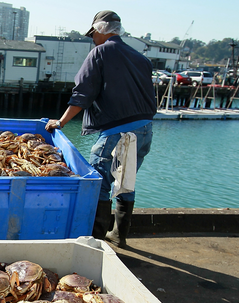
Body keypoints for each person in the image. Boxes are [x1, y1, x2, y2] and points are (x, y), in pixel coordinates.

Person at [45, 10, 156, 248]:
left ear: (101, 30)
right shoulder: (141, 58)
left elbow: (82, 94)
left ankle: (95, 242)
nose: (92, 38)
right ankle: (118, 235)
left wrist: (60, 122)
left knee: (99, 185)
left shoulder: (101, 52)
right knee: (126, 180)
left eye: (93, 33)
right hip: (145, 129)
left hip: (118, 132)